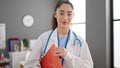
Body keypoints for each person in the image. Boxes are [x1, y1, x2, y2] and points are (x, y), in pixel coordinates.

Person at [24, 1, 93, 68]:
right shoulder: (44, 38)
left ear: (73, 15)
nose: (65, 18)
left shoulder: (80, 42)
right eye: (61, 13)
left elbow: (88, 66)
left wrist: (67, 55)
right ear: (55, 14)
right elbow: (30, 64)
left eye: (69, 14)